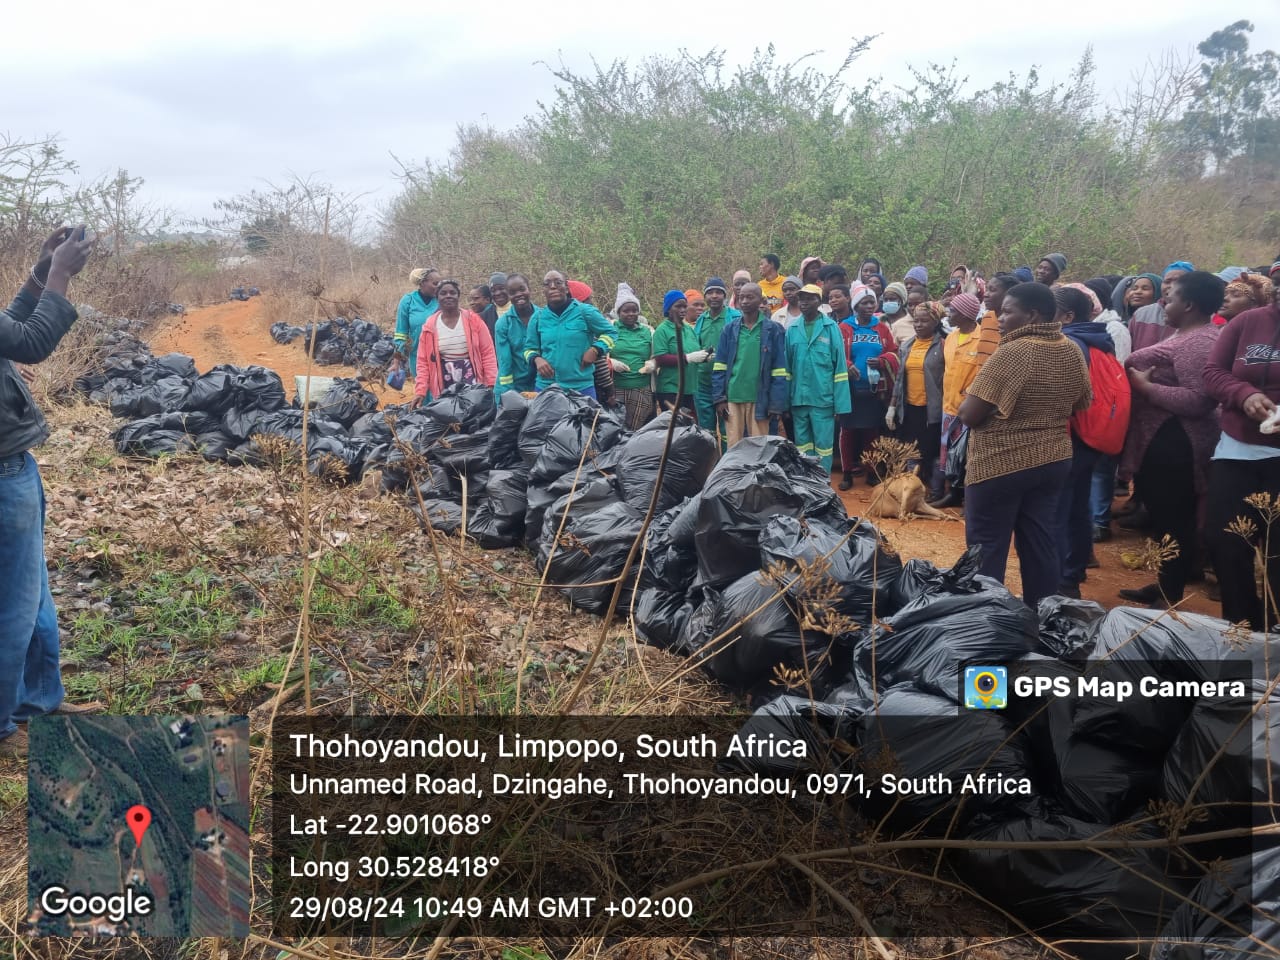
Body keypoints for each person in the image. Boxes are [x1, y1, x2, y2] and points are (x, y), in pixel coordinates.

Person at [1, 225, 101, 759]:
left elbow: (10, 327)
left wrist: (42, 272)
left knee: (33, 595)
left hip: (13, 464)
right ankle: (2, 728)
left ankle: (38, 700)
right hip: (1, 473)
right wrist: (61, 273)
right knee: (11, 607)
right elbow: (32, 342)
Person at [959, 282, 1092, 608]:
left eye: (1007, 311)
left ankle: (985, 622)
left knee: (987, 547)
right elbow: (1081, 403)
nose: (999, 318)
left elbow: (969, 415)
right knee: (1040, 543)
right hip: (1052, 461)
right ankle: (1043, 619)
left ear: (1032, 314)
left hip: (999, 464)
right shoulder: (1071, 348)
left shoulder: (1013, 351)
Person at [1117, 271, 1223, 608]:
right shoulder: (1186, 335)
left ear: (1189, 304)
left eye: (1171, 298)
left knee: (1175, 518)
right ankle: (1167, 582)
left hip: (1179, 442)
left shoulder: (1200, 342)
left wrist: (1146, 388)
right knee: (1165, 517)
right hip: (1161, 439)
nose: (1164, 302)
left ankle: (1171, 592)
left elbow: (1199, 399)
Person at [1202, 272, 1280, 630]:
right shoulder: (1248, 322)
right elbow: (1213, 372)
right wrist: (1244, 394)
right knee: (1227, 543)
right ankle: (1242, 630)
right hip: (1238, 452)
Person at [1055, 285, 1121, 599]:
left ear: (1067, 316)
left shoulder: (1068, 343)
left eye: (1048, 312)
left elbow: (1064, 399)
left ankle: (1063, 581)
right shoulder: (1099, 339)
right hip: (1092, 435)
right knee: (1077, 507)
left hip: (1071, 436)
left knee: (1059, 509)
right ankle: (1076, 568)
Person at [933, 291, 1000, 508]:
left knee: (967, 456)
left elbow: (984, 373)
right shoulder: (951, 338)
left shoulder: (983, 340)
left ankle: (970, 500)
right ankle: (952, 493)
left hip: (970, 409)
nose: (949, 314)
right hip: (948, 407)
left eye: (953, 310)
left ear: (965, 314)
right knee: (950, 454)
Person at [836, 283, 898, 488]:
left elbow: (894, 353)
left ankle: (871, 471)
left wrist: (881, 361)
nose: (870, 306)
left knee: (871, 432)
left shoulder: (881, 327)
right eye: (865, 302)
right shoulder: (844, 327)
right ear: (856, 305)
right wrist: (848, 365)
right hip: (850, 389)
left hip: (873, 389)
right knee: (847, 432)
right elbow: (834, 355)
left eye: (872, 302)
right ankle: (846, 474)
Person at [712, 283, 788, 446]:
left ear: (760, 300)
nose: (744, 301)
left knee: (759, 447)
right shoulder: (729, 329)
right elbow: (720, 366)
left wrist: (775, 403)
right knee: (734, 447)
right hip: (733, 397)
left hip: (760, 399)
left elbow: (779, 370)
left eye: (749, 297)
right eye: (741, 297)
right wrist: (719, 399)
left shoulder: (773, 330)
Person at [786, 284, 851, 471]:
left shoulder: (831, 328)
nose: (804, 302)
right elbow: (787, 369)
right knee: (802, 447)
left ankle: (823, 485)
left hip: (823, 400)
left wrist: (841, 405)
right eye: (802, 298)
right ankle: (806, 486)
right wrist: (785, 402)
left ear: (819, 301)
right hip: (799, 399)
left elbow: (839, 369)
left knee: (823, 446)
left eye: (810, 298)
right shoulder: (792, 329)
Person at [522, 270, 617, 398]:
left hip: (581, 388)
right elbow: (529, 349)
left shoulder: (585, 312)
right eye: (547, 284)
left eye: (558, 282)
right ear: (543, 291)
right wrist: (536, 359)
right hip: (547, 388)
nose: (553, 286)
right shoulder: (538, 317)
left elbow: (612, 332)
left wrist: (596, 349)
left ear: (566, 288)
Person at [888, 299, 945, 498]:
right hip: (910, 407)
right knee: (910, 449)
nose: (919, 325)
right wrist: (892, 406)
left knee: (932, 450)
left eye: (924, 321)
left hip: (933, 410)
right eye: (916, 321)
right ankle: (912, 490)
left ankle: (936, 492)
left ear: (936, 322)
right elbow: (900, 380)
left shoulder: (944, 345)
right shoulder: (908, 346)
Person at [414, 279, 498, 404]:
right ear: (437, 298)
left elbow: (487, 353)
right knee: (448, 419)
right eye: (443, 293)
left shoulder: (474, 321)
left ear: (458, 296)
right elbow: (423, 361)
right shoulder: (430, 326)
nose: (448, 296)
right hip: (444, 381)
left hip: (472, 380)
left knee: (472, 417)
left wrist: (491, 383)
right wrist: (420, 391)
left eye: (452, 293)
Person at [692, 277, 741, 442]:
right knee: (706, 431)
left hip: (727, 383)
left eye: (718, 292)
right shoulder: (701, 320)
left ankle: (728, 465)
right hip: (703, 383)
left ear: (724, 296)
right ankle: (710, 464)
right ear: (705, 297)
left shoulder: (735, 317)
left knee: (728, 427)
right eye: (710, 292)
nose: (714, 296)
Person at [608, 283, 655, 430]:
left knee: (636, 430)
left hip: (641, 390)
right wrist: (610, 362)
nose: (631, 314)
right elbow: (598, 353)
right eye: (626, 311)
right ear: (618, 312)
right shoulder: (610, 328)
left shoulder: (648, 331)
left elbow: (658, 354)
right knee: (616, 429)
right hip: (615, 390)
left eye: (634, 310)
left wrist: (653, 364)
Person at [1130, 262, 1194, 354]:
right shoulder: (1141, 314)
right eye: (1167, 282)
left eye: (1178, 282)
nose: (1171, 286)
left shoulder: (1198, 316)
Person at [652, 290, 696, 414]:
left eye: (684, 306)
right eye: (678, 306)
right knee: (675, 426)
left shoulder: (688, 329)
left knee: (688, 428)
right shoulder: (662, 330)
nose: (682, 310)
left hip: (690, 388)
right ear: (668, 309)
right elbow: (660, 358)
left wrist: (704, 356)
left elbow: (695, 349)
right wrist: (687, 358)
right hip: (671, 389)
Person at [392, 267, 440, 381]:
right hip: (418, 356)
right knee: (422, 390)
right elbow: (401, 333)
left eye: (440, 283)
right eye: (435, 283)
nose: (438, 287)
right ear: (423, 283)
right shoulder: (408, 301)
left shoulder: (442, 300)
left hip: (441, 356)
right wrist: (396, 362)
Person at [494, 273, 537, 397]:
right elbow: (505, 363)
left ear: (529, 289)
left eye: (522, 289)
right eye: (512, 292)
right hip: (512, 386)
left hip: (539, 384)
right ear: (508, 296)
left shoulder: (543, 317)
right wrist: (509, 395)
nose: (518, 294)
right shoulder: (503, 324)